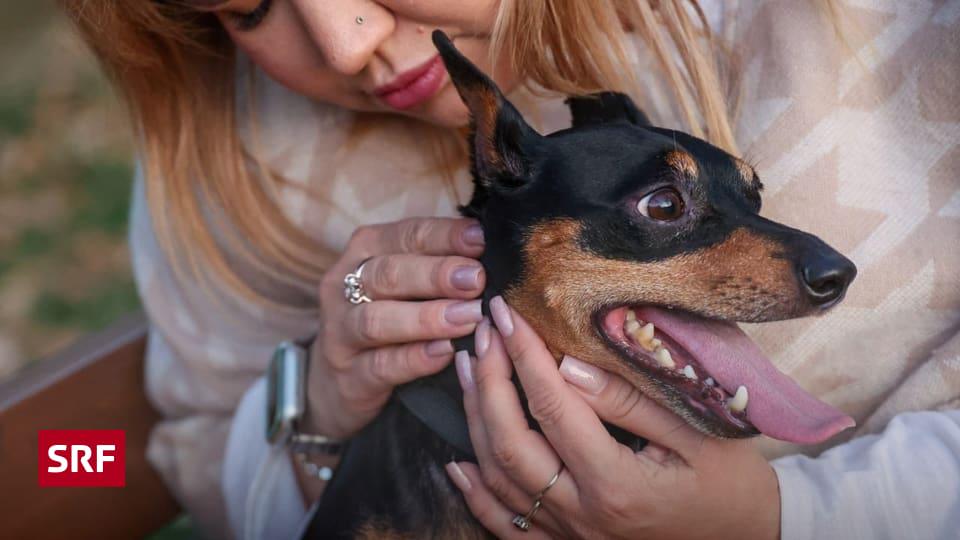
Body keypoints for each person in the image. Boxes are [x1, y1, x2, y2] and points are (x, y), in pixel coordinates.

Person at [62, 1, 960, 538]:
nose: (344, 41)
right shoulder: (226, 154)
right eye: (246, 5)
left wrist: (787, 519)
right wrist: (313, 419)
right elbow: (115, 460)